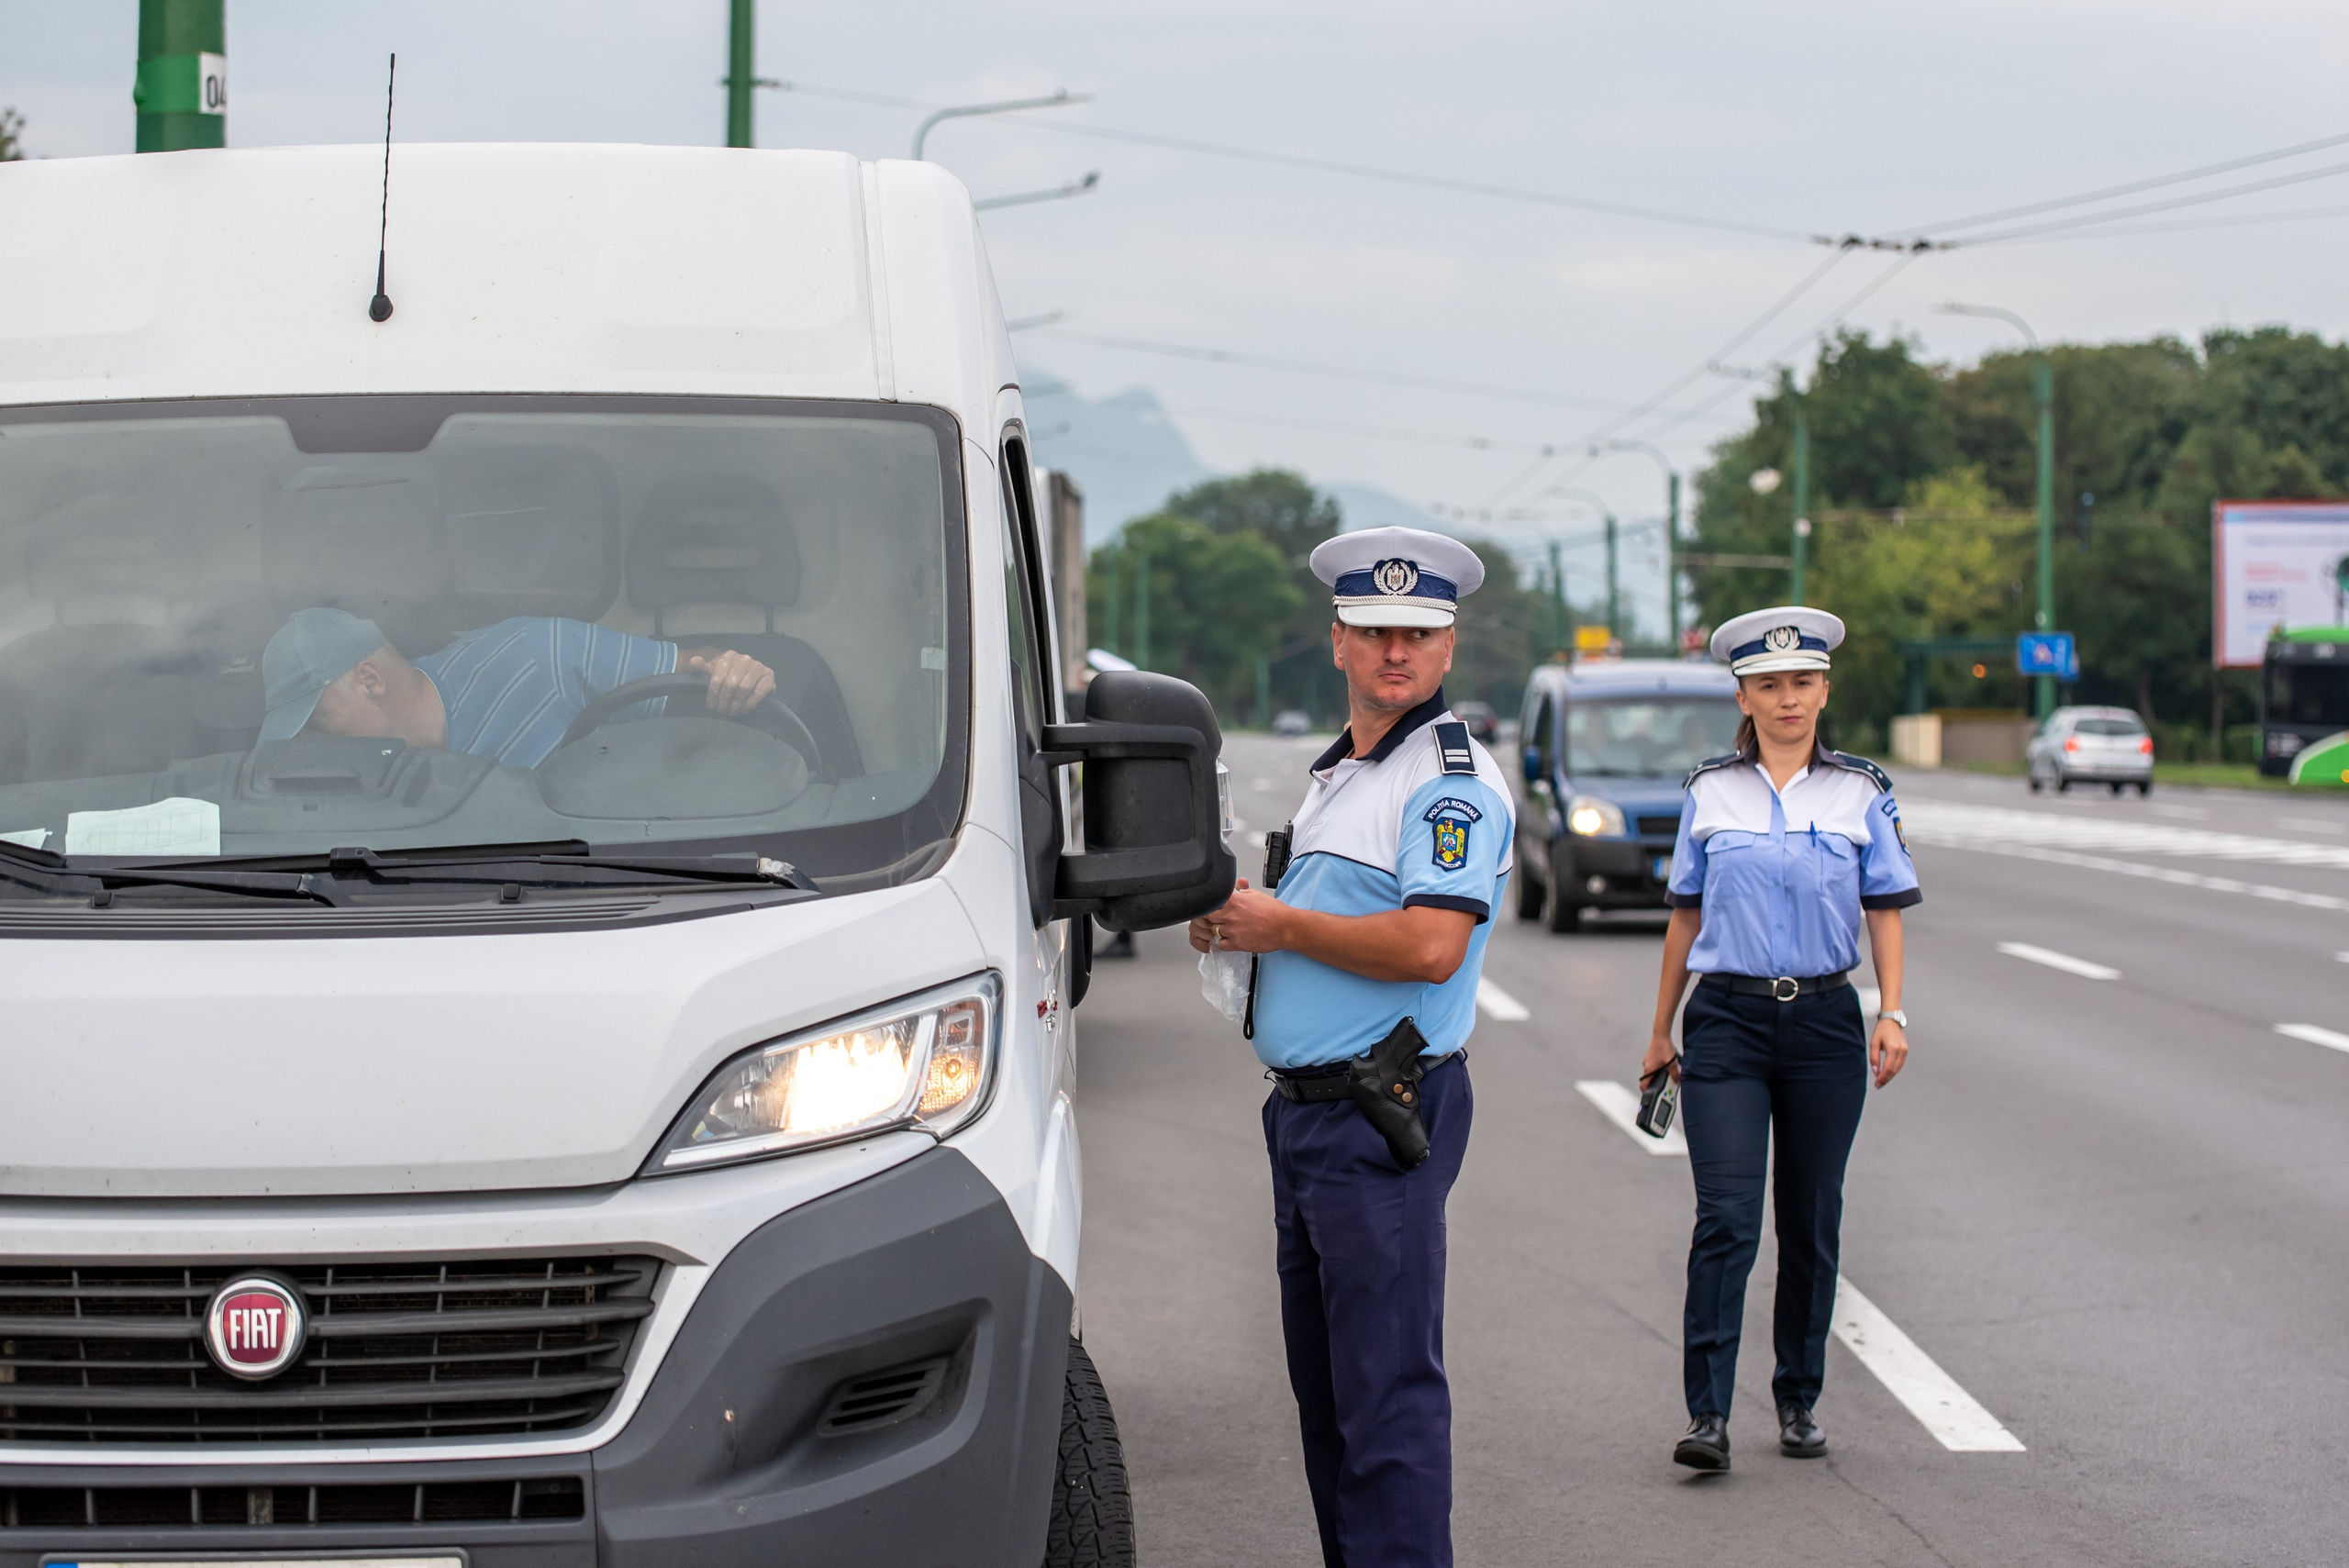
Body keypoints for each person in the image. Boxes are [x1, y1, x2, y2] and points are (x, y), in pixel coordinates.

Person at [1187, 525, 1514, 1568]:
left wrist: (1279, 927)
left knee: (1385, 1401)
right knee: (1329, 1397)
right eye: (1374, 630)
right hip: (1310, 1114)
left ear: (1448, 648)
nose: (1394, 652)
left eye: (1417, 634)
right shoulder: (1346, 773)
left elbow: (1428, 942)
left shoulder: (1448, 780)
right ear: (1337, 640)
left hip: (1379, 1112)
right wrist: (1241, 921)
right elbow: (1330, 919)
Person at [1640, 606, 1919, 1472]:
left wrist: (1893, 1010)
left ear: (1824, 689)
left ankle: (1798, 1397)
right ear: (1744, 694)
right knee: (1726, 1218)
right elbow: (1685, 915)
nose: (1787, 698)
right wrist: (1659, 1031)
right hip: (1725, 1018)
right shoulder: (1708, 791)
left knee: (1810, 1218)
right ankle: (1707, 1416)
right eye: (1769, 684)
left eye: (1802, 682)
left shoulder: (1861, 791)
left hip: (1826, 1023)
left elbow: (1885, 908)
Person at [258, 608, 776, 768]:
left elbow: (697, 668)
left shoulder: (538, 654)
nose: (312, 749)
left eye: (317, 721)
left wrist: (735, 672)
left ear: (369, 680)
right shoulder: (359, 786)